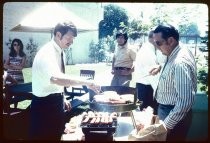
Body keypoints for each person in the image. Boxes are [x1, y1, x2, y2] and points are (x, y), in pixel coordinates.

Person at [29, 21, 99, 140]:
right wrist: (87, 82)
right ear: (58, 35)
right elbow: (57, 78)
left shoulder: (61, 52)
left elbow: (58, 77)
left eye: (73, 39)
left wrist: (63, 97)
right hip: (44, 105)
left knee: (57, 136)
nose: (71, 42)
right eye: (68, 38)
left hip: (56, 102)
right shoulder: (47, 53)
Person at [153, 24, 197, 141]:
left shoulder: (180, 63)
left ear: (171, 40)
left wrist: (167, 125)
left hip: (173, 114)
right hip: (170, 111)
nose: (157, 47)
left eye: (158, 43)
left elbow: (185, 101)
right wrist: (161, 67)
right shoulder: (177, 49)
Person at [134, 30, 166, 112]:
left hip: (146, 86)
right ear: (152, 38)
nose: (159, 43)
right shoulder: (147, 51)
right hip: (146, 87)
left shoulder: (150, 49)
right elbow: (154, 72)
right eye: (158, 40)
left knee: (148, 113)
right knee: (147, 114)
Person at [3, 38, 32, 113]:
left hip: (19, 77)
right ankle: (8, 108)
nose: (16, 46)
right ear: (13, 45)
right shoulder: (10, 55)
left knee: (18, 93)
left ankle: (15, 108)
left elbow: (21, 67)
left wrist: (11, 65)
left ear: (20, 46)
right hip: (10, 77)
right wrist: (15, 66)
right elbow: (5, 65)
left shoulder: (23, 55)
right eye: (15, 44)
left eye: (18, 44)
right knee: (8, 92)